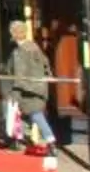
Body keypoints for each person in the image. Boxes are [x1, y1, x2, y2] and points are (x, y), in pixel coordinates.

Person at [5, 21, 56, 149]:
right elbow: (46, 65)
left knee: (34, 115)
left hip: (27, 90)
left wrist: (13, 95)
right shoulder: (34, 47)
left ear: (13, 33)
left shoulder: (19, 52)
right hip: (39, 88)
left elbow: (19, 75)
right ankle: (21, 140)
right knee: (31, 115)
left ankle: (50, 140)